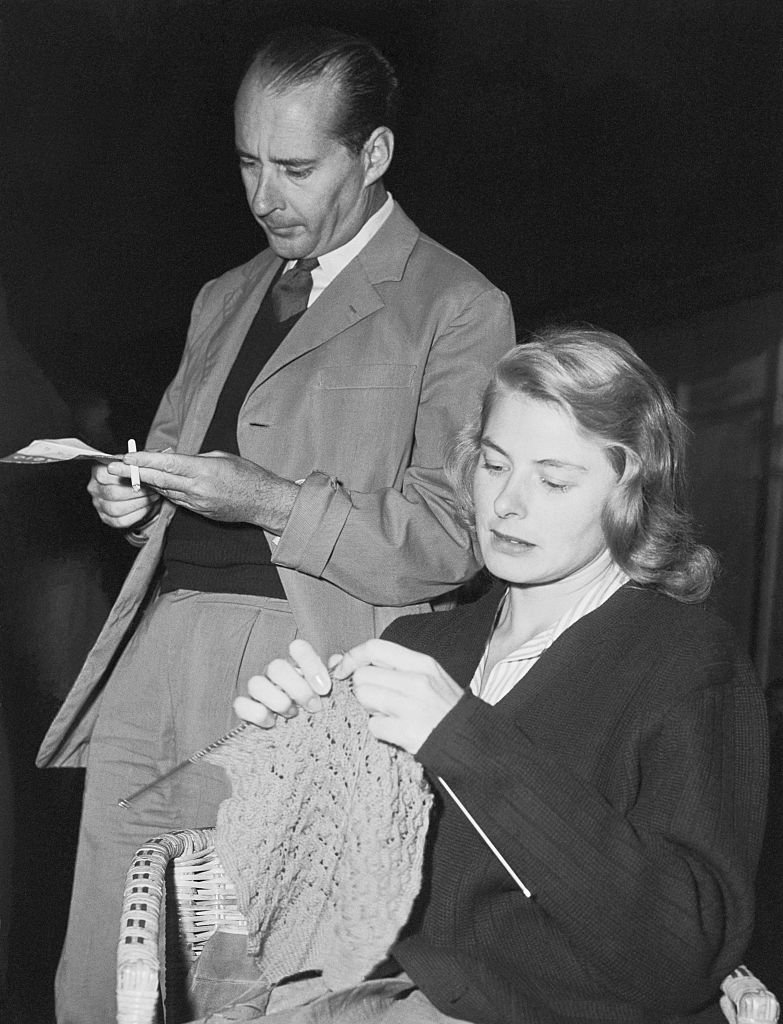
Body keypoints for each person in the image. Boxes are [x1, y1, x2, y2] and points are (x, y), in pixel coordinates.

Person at [37, 26, 514, 1024]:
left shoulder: (456, 305)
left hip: (295, 677)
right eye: (249, 162)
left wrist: (271, 501)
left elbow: (450, 539)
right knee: (100, 980)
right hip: (155, 650)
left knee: (247, 986)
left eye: (296, 167)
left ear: (373, 155)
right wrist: (134, 499)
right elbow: (174, 456)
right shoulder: (224, 293)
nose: (265, 195)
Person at [225, 327, 769, 1024]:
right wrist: (296, 758)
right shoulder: (424, 642)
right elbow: (339, 901)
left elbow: (677, 958)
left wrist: (465, 739)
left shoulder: (688, 661)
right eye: (493, 465)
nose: (509, 504)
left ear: (630, 491)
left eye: (553, 478)